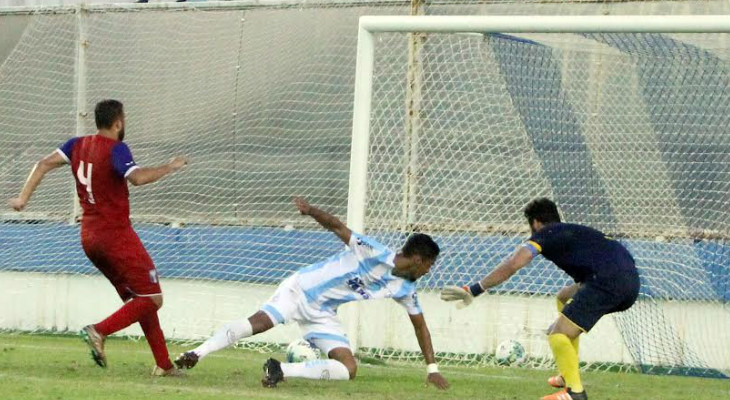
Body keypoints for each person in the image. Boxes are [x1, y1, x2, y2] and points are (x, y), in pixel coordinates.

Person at [175, 197, 450, 390]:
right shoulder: (376, 252)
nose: (429, 271)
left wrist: (432, 370)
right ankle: (197, 352)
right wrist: (311, 211)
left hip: (323, 313)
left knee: (348, 369)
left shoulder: (406, 289)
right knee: (259, 323)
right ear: (418, 259)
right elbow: (338, 227)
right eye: (430, 265)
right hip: (301, 289)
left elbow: (420, 327)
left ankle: (280, 369)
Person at [9, 99, 188, 376]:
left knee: (140, 300)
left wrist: (23, 198)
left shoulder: (76, 144)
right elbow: (137, 178)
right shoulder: (117, 149)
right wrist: (169, 167)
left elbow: (42, 164)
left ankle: (164, 365)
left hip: (89, 238)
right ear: (118, 122)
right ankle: (98, 331)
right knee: (152, 298)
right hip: (115, 235)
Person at [441, 198, 640, 400]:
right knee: (563, 297)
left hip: (606, 281)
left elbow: (513, 264)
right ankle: (566, 374)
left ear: (535, 222)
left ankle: (575, 393)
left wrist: (475, 289)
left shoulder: (546, 234)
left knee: (556, 334)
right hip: (630, 284)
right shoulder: (575, 231)